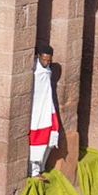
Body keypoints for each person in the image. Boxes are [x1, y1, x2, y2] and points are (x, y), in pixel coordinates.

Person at [29, 45, 60, 178]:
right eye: (44, 59)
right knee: (37, 139)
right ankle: (33, 171)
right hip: (36, 109)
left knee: (51, 135)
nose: (46, 63)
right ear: (38, 56)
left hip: (47, 106)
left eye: (49, 60)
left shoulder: (47, 70)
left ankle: (41, 167)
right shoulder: (35, 69)